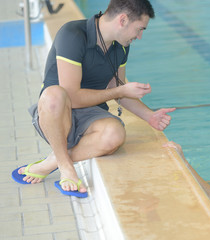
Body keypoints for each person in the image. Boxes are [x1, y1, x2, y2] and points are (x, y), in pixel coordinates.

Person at [12, 0, 175, 198]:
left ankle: (52, 161)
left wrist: (150, 116)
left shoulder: (121, 47)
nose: (139, 36)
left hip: (90, 116)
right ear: (123, 20)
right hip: (54, 115)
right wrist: (119, 91)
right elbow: (72, 96)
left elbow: (116, 87)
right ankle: (65, 168)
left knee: (115, 134)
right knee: (54, 94)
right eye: (139, 29)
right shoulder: (73, 34)